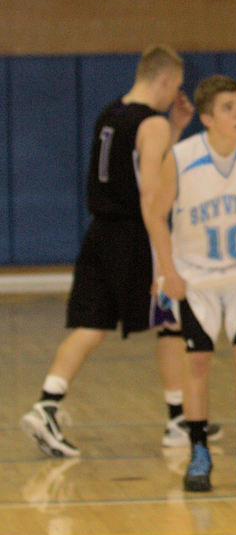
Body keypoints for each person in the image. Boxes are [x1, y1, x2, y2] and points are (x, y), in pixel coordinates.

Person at [19, 44, 208, 459]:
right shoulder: (151, 124)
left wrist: (176, 127)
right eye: (175, 85)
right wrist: (165, 261)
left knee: (91, 325)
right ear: (163, 80)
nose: (175, 92)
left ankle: (47, 405)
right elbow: (149, 192)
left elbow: (136, 164)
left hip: (99, 233)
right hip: (133, 236)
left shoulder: (111, 113)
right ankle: (178, 419)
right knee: (171, 321)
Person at [144, 74, 236, 493]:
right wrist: (169, 272)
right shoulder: (181, 156)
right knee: (198, 362)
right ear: (207, 118)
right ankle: (199, 452)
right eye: (228, 108)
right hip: (196, 276)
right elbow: (156, 216)